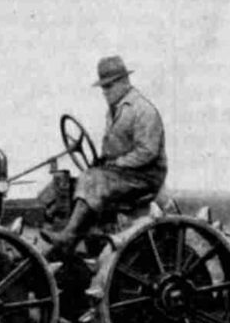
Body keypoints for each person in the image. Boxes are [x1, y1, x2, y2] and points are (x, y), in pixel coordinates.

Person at [41, 55, 167, 255]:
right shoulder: (113, 111)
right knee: (62, 183)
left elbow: (148, 152)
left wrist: (116, 164)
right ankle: (59, 242)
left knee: (93, 180)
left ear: (125, 82)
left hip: (144, 177)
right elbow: (113, 148)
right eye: (103, 88)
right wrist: (102, 160)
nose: (105, 92)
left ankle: (69, 237)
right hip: (122, 174)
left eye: (109, 87)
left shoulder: (143, 110)